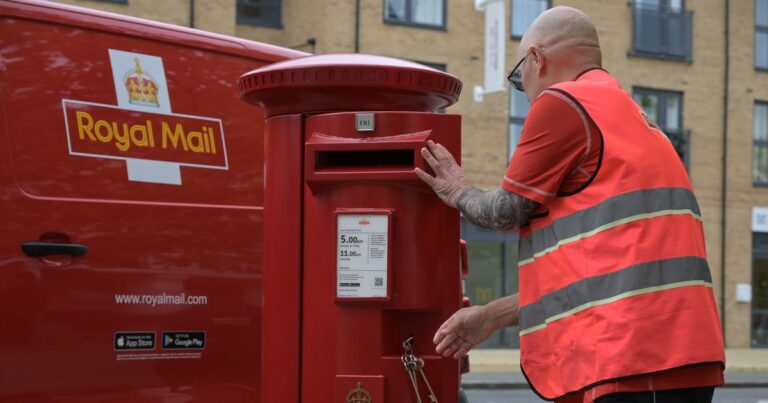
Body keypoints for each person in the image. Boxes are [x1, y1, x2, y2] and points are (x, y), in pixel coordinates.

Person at [415, 6, 726, 403]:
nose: (525, 93)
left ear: (536, 59)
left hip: (631, 357)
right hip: (681, 356)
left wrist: (457, 189)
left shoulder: (563, 102)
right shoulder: (633, 116)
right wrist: (490, 317)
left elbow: (506, 212)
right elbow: (596, 282)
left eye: (518, 79)